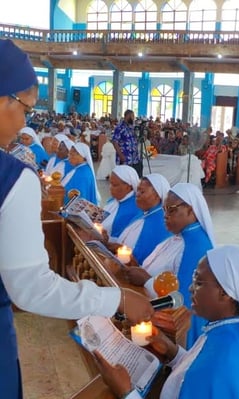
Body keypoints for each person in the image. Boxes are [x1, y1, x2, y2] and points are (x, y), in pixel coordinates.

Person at [0, 38, 154, 399]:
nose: (25, 120)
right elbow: (31, 289)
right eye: (26, 108)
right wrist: (114, 300)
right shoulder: (10, 179)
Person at [94, 245, 239, 399]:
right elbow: (195, 369)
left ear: (226, 292)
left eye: (199, 283)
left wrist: (125, 392)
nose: (190, 288)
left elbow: (204, 373)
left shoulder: (221, 363)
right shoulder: (230, 329)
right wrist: (172, 351)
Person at [125, 182, 215, 347]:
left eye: (172, 210)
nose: (165, 215)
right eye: (164, 210)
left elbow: (183, 301)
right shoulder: (178, 236)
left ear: (191, 209)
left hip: (174, 333)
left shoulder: (195, 246)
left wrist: (146, 280)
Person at [115, 174, 172, 264]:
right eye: (137, 190)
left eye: (142, 192)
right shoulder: (142, 213)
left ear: (157, 195)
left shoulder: (161, 223)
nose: (137, 195)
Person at [102, 165, 142, 241]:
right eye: (110, 183)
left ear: (128, 187)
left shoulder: (134, 208)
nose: (110, 187)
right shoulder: (113, 200)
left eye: (114, 185)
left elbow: (123, 241)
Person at [112, 109, 143, 178]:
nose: (133, 118)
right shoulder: (119, 127)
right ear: (127, 116)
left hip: (134, 157)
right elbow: (115, 142)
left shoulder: (132, 127)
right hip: (125, 156)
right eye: (132, 116)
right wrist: (120, 155)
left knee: (134, 176)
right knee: (125, 177)